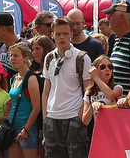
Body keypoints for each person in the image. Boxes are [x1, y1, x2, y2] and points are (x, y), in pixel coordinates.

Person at [41, 17, 93, 158]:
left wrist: (80, 117)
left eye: (65, 33)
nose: (61, 37)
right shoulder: (49, 58)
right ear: (52, 35)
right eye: (58, 34)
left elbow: (88, 90)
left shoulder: (82, 58)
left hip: (73, 117)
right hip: (52, 117)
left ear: (71, 34)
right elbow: (46, 91)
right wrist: (45, 117)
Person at [6, 42, 42, 158]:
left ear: (26, 58)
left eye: (16, 56)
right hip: (12, 126)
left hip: (26, 126)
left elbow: (36, 108)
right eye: (11, 55)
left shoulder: (31, 78)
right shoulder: (13, 78)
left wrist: (26, 130)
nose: (12, 59)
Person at [82, 54, 124, 124]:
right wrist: (92, 106)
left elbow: (111, 95)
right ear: (95, 70)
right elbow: (85, 121)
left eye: (110, 67)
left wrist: (96, 78)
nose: (107, 69)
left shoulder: (117, 88)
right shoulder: (89, 93)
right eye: (102, 67)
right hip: (100, 130)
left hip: (116, 128)